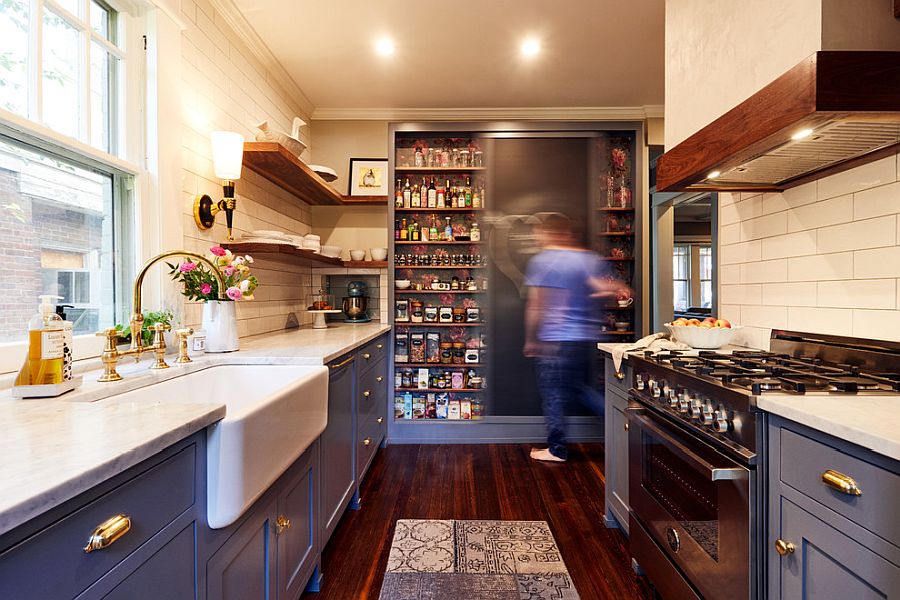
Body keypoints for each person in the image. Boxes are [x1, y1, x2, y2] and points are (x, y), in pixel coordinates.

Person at [523, 213, 631, 462]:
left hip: (556, 338)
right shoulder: (587, 259)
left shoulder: (543, 261)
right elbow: (604, 289)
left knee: (553, 394)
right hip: (584, 338)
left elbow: (536, 304)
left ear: (550, 233)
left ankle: (556, 449)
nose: (537, 238)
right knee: (580, 390)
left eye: (539, 233)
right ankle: (626, 425)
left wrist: (531, 338)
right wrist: (619, 290)